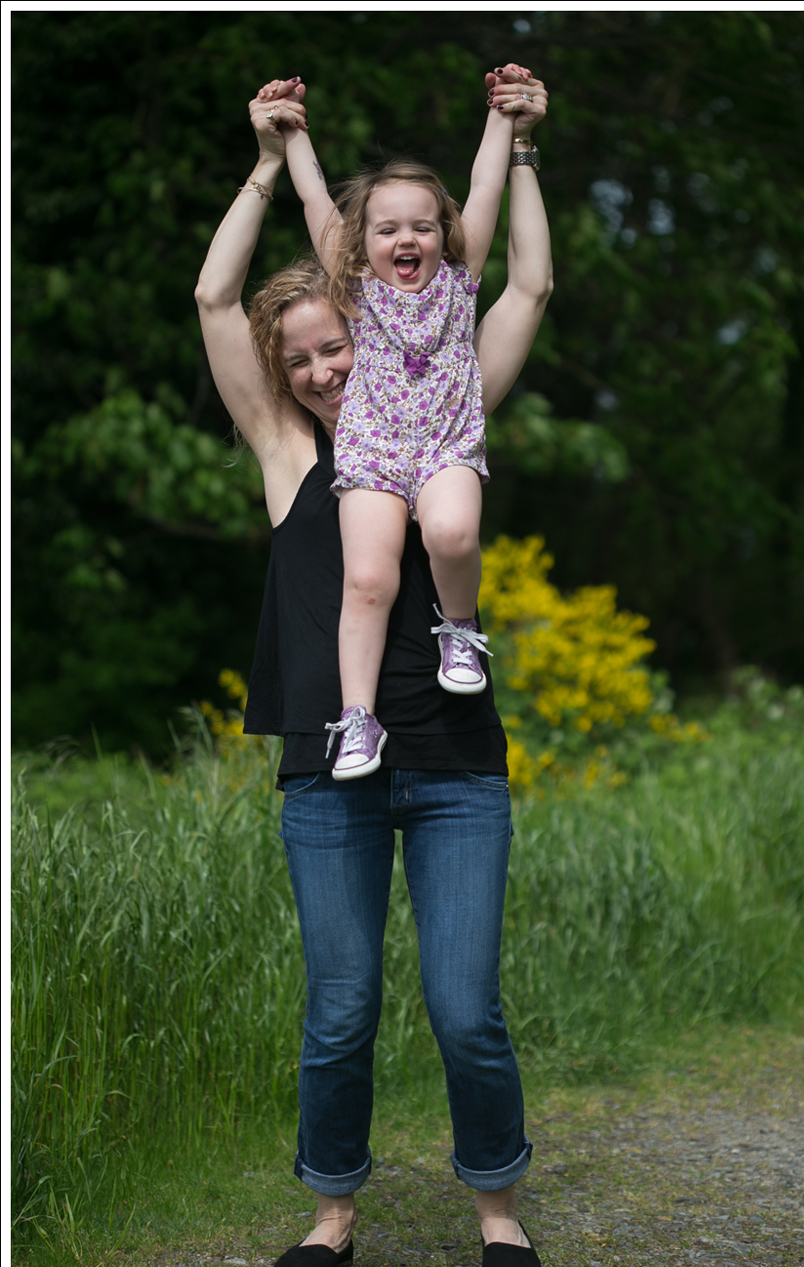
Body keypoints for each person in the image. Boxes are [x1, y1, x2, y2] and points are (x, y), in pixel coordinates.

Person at [194, 65, 551, 1267]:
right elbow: (215, 294)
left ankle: (498, 1209)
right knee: (341, 1010)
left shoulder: (448, 388)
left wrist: (519, 142)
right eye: (297, 359)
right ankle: (333, 1215)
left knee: (465, 1008)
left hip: (453, 764)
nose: (320, 370)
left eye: (332, 345)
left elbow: (523, 284)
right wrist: (266, 162)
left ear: (366, 328)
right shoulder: (289, 456)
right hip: (329, 774)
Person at [278, 67, 533, 780]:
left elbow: (485, 186)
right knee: (367, 579)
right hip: (373, 454)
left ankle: (459, 627)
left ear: (443, 234)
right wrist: (293, 133)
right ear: (363, 243)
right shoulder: (354, 289)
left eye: (423, 225)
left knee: (452, 533)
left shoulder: (460, 278)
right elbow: (313, 198)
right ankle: (359, 718)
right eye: (387, 229)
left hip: (446, 445)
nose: (406, 238)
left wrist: (502, 117)